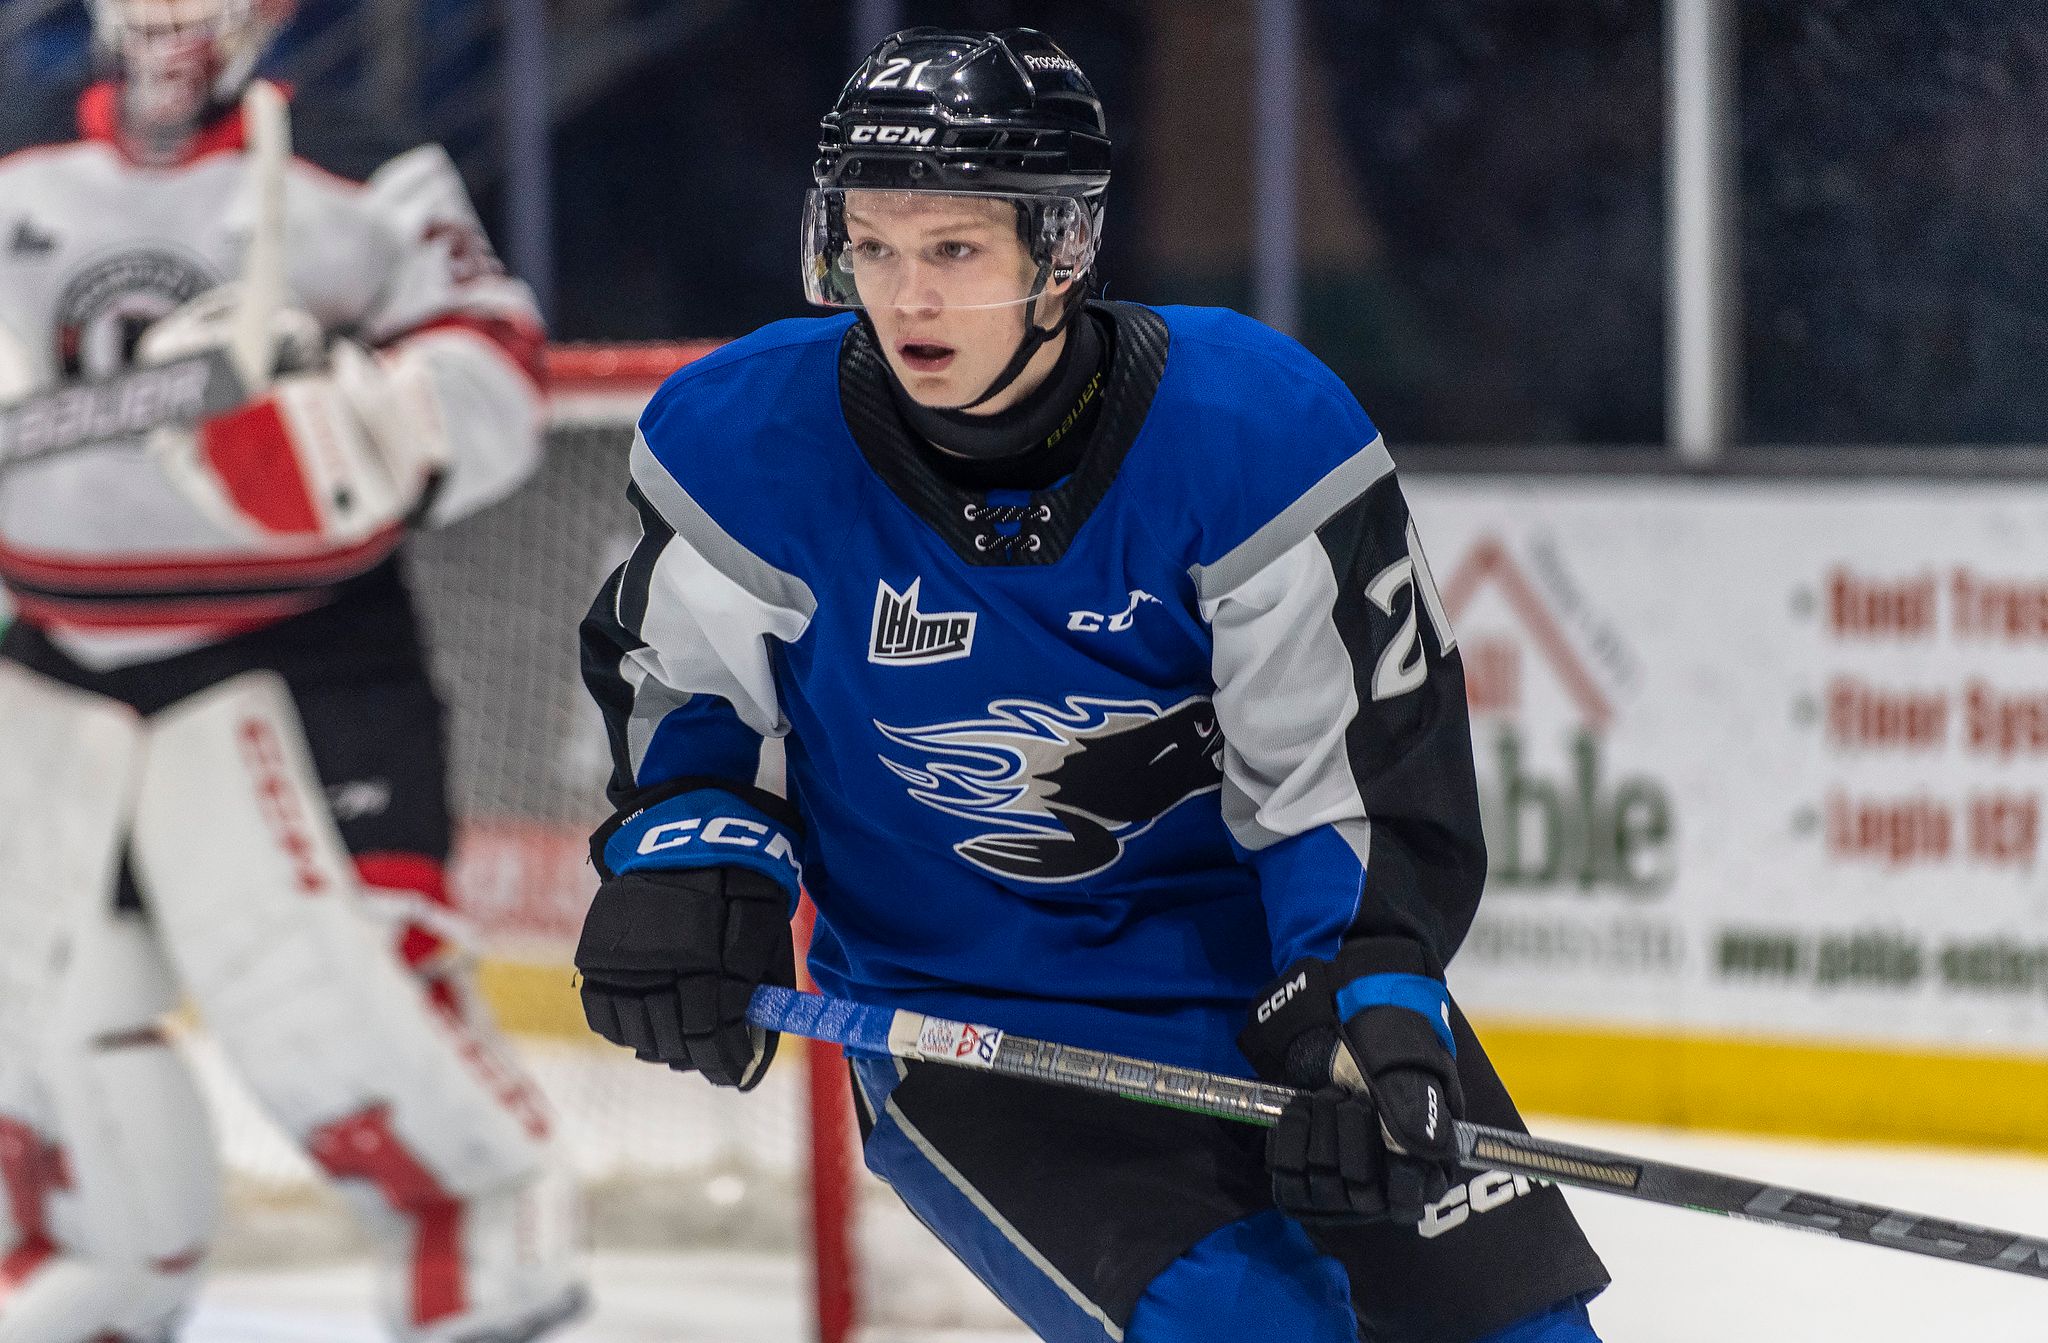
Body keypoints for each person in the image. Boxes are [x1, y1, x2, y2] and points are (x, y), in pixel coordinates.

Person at [576, 26, 1608, 1343]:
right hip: (980, 1032)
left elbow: (1343, 769)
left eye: (954, 250)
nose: (905, 298)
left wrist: (1366, 1000)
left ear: (1060, 250)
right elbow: (690, 706)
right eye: (873, 247)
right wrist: (688, 861)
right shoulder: (748, 444)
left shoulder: (1251, 433)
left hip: (1270, 995)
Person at [0, 2, 584, 1339]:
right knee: (44, 1000)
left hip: (305, 647)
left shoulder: (364, 164)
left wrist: (385, 420)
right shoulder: (13, 147)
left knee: (347, 987)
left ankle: (478, 1263)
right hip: (50, 657)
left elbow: (494, 356)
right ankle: (97, 1269)